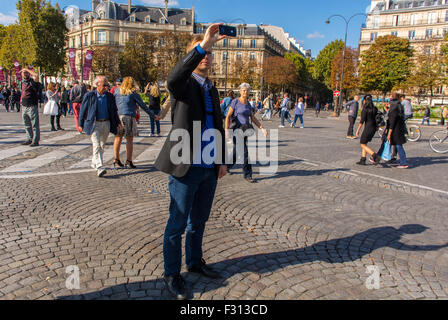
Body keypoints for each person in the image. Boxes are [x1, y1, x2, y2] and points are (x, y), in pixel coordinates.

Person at [154, 25, 228, 300]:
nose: (207, 56)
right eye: (202, 53)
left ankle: (194, 262)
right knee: (177, 222)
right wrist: (201, 46)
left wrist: (221, 161)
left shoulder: (212, 88)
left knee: (199, 220)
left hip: (208, 166)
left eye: (210, 52)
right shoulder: (183, 85)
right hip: (185, 164)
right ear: (192, 59)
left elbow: (218, 126)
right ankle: (172, 273)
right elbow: (173, 77)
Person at [78, 76, 122, 177]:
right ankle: (100, 166)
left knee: (102, 145)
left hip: (106, 122)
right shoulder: (90, 95)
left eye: (107, 85)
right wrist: (80, 124)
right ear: (97, 85)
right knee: (96, 145)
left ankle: (94, 162)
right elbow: (83, 110)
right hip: (94, 123)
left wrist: (118, 122)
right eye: (104, 85)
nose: (106, 87)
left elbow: (114, 111)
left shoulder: (110, 96)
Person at [113, 76, 159, 168]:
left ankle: (116, 159)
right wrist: (153, 115)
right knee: (129, 140)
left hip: (118, 117)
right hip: (129, 117)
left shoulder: (117, 91)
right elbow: (143, 106)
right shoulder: (133, 93)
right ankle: (129, 160)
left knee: (118, 138)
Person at [225, 83, 268, 183]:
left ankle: (226, 166)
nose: (245, 92)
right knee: (245, 153)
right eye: (243, 90)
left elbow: (253, 118)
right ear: (240, 91)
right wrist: (226, 130)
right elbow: (227, 116)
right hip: (237, 130)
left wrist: (262, 128)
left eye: (247, 90)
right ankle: (247, 174)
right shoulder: (235, 102)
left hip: (246, 130)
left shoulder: (248, 104)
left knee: (237, 151)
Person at [355, 95, 381, 165]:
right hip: (373, 128)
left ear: (364, 101)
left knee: (362, 144)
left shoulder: (365, 109)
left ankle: (375, 156)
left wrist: (357, 130)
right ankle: (363, 159)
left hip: (368, 128)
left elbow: (362, 121)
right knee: (365, 143)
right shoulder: (375, 108)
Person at [20, 69, 42, 146]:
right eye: (24, 72)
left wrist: (27, 70)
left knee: (34, 125)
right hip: (24, 106)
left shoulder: (32, 81)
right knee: (26, 124)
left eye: (26, 73)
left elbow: (36, 75)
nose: (25, 74)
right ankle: (29, 138)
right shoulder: (22, 82)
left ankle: (35, 141)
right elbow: (23, 92)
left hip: (32, 105)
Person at [387, 92, 408, 169]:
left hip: (395, 129)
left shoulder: (394, 106)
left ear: (393, 97)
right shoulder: (399, 104)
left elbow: (392, 121)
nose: (389, 97)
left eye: (390, 96)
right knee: (398, 145)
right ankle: (395, 158)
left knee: (398, 145)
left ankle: (403, 162)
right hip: (400, 128)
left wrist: (389, 133)